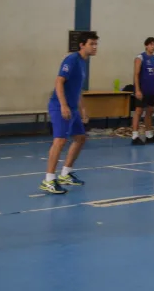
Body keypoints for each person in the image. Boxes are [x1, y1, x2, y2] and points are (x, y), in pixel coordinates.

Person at [40, 31, 98, 194]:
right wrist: (63, 105)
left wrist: (82, 109)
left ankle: (66, 173)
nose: (95, 47)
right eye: (91, 44)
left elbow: (76, 89)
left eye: (96, 44)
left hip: (73, 108)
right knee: (59, 141)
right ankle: (49, 179)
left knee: (80, 138)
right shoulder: (71, 60)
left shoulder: (82, 63)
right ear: (82, 45)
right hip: (60, 106)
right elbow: (59, 81)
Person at [132, 37, 154, 145]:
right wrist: (137, 90)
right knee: (139, 111)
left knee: (150, 111)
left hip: (152, 89)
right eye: (150, 45)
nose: (152, 47)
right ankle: (135, 136)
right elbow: (136, 74)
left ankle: (149, 135)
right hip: (142, 89)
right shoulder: (140, 58)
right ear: (146, 45)